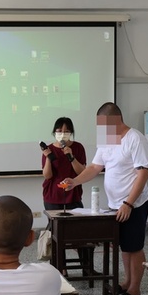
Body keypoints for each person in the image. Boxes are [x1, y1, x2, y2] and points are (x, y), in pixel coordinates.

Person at [62, 102, 148, 295]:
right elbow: (95, 167)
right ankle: (127, 283)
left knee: (134, 247)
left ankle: (135, 291)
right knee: (125, 247)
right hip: (115, 204)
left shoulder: (135, 138)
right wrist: (74, 181)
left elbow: (143, 173)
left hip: (134, 204)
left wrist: (128, 203)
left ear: (115, 120)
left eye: (103, 125)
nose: (101, 129)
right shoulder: (107, 141)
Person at [40, 117, 94, 276]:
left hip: (73, 195)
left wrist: (71, 156)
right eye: (59, 131)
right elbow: (47, 176)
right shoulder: (49, 149)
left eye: (66, 131)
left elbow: (82, 172)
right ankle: (61, 268)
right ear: (54, 132)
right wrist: (48, 157)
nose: (62, 134)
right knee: (57, 234)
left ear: (71, 132)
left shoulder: (77, 147)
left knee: (81, 232)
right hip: (53, 196)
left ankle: (87, 268)